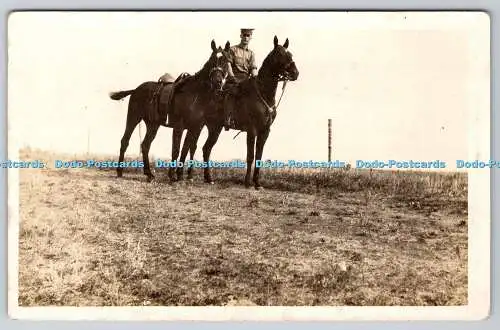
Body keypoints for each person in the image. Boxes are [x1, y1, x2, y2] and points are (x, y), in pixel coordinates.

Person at [223, 28, 258, 131]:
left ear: (251, 37)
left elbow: (253, 68)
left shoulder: (251, 53)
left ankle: (251, 119)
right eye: (244, 35)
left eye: (248, 35)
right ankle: (228, 118)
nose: (246, 38)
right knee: (232, 92)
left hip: (246, 80)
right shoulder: (233, 49)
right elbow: (228, 64)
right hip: (233, 78)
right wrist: (232, 77)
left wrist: (256, 79)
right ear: (241, 36)